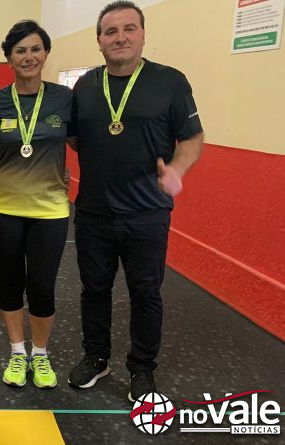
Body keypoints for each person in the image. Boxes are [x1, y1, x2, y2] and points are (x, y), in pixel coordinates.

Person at [66, 0, 204, 402]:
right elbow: (74, 137)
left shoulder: (170, 81)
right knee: (94, 289)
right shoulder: (85, 86)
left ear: (143, 35)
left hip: (147, 213)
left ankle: (142, 368)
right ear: (99, 41)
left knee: (145, 294)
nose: (120, 37)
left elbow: (192, 138)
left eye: (129, 29)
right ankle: (96, 357)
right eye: (110, 31)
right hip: (93, 211)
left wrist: (177, 169)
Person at [0, 20, 71, 389]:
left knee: (42, 286)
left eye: (35, 49)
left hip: (50, 209)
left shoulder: (65, 99)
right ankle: (18, 352)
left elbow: (83, 143)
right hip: (1, 207)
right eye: (20, 50)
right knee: (10, 282)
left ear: (46, 54)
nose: (28, 56)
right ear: (9, 58)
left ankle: (41, 354)